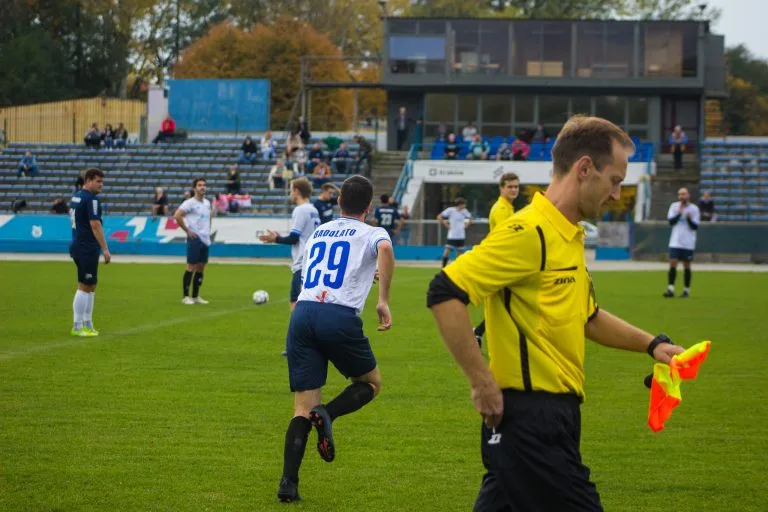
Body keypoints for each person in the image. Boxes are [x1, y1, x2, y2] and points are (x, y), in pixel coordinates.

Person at [426, 115, 688, 511]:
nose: (617, 194)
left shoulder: (569, 234)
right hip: (529, 419)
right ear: (585, 169)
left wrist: (652, 345)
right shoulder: (529, 232)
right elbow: (444, 291)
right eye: (615, 180)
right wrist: (481, 382)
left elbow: (587, 317)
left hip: (555, 417)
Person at [275, 175, 395, 503]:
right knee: (371, 383)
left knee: (301, 407)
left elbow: (329, 267)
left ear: (339, 201)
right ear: (369, 208)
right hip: (337, 316)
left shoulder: (320, 231)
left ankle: (288, 484)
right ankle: (328, 414)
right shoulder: (373, 231)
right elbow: (384, 249)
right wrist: (382, 298)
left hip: (303, 313)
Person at [258, 177, 320, 353]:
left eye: (292, 190)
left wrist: (275, 238)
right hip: (311, 261)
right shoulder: (313, 210)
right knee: (306, 304)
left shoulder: (300, 210)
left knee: (296, 304)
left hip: (302, 262)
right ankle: (306, 343)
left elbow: (294, 237)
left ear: (298, 191)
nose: (290, 193)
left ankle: (297, 345)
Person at [474, 172, 520, 347]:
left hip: (506, 262)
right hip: (502, 263)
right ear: (502, 188)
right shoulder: (501, 210)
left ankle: (477, 334)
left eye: (516, 186)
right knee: (506, 305)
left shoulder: (508, 207)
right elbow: (506, 239)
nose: (513, 190)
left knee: (507, 305)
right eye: (510, 187)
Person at [68, 168, 111, 337]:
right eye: (98, 181)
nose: (101, 185)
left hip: (79, 244)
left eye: (102, 182)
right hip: (86, 246)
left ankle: (88, 323)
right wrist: (105, 249)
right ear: (88, 180)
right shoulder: (91, 200)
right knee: (84, 286)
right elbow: (95, 225)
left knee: (91, 285)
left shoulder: (77, 196)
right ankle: (78, 326)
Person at [174, 178, 213, 305]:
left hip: (205, 239)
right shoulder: (189, 203)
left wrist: (208, 231)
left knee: (201, 267)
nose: (203, 187)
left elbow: (209, 219)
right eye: (200, 185)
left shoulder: (207, 203)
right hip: (194, 238)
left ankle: (196, 296)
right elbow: (177, 215)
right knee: (191, 266)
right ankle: (185, 296)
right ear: (194, 188)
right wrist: (187, 231)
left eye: (204, 185)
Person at [664, 187, 700, 298]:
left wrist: (688, 219)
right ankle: (670, 288)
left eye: (684, 194)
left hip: (688, 242)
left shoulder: (694, 209)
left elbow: (695, 227)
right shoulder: (674, 207)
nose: (682, 196)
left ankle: (686, 290)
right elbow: (671, 222)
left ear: (688, 195)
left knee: (686, 265)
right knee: (673, 263)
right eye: (680, 194)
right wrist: (679, 213)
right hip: (675, 241)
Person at [438, 197, 472, 268]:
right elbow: (439, 217)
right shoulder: (450, 210)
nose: (464, 206)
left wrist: (466, 225)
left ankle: (456, 267)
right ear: (459, 204)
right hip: (452, 235)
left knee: (459, 252)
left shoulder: (464, 211)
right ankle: (443, 267)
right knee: (447, 251)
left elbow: (470, 218)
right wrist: (446, 225)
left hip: (461, 235)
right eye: (463, 204)